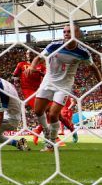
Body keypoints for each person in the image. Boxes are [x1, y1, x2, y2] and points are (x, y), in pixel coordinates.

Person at [26, 24, 102, 152]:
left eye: (69, 31)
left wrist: (100, 83)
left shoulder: (83, 52)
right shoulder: (54, 46)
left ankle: (51, 143)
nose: (66, 34)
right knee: (38, 111)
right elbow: (38, 58)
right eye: (64, 32)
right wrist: (32, 66)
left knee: (53, 114)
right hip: (48, 82)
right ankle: (46, 131)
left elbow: (93, 68)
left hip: (64, 86)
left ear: (77, 34)